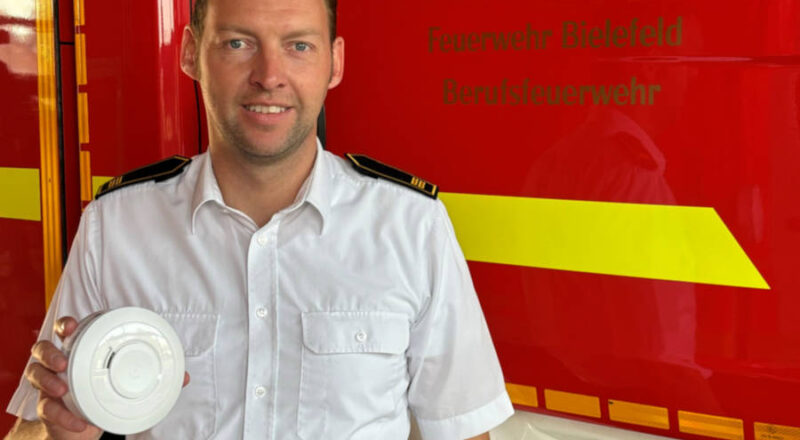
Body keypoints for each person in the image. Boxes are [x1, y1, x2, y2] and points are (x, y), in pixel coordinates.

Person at [5, 0, 513, 438]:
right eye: (237, 43)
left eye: (299, 46)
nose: (269, 75)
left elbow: (463, 430)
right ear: (190, 53)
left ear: (334, 63)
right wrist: (59, 430)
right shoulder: (114, 228)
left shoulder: (412, 227)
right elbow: (33, 426)